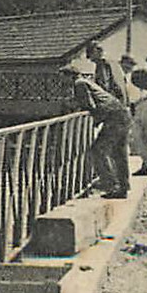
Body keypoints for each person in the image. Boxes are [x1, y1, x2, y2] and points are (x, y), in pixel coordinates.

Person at [62, 61, 131, 199]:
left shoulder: (79, 84)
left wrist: (71, 105)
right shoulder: (86, 82)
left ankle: (111, 186)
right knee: (119, 152)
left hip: (114, 117)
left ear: (69, 76)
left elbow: (89, 105)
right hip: (121, 114)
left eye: (63, 77)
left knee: (98, 150)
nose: (63, 81)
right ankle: (123, 186)